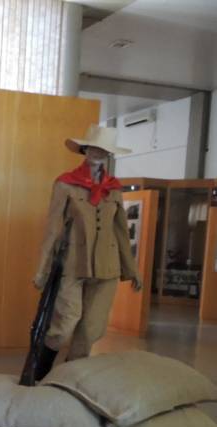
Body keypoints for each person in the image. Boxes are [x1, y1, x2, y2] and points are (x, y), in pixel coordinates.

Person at [32, 125, 142, 380]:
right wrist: (42, 269)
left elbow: (121, 232)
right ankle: (38, 374)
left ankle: (71, 378)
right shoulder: (65, 184)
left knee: (91, 329)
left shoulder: (114, 188)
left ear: (109, 154)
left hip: (107, 267)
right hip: (73, 263)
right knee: (65, 324)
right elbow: (53, 229)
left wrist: (132, 270)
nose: (97, 152)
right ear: (85, 148)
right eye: (93, 147)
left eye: (103, 149)